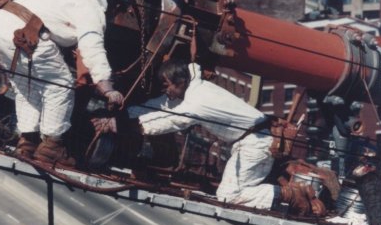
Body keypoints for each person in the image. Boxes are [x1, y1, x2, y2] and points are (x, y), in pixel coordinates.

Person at [122, 59, 325, 216]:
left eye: (167, 86)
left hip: (255, 145)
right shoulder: (194, 88)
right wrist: (129, 113)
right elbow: (165, 105)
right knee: (232, 192)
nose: (166, 91)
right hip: (252, 140)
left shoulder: (197, 103)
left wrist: (135, 127)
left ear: (181, 82)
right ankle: (292, 192)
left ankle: (291, 193)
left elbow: (174, 120)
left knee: (228, 197)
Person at [0, 0, 134, 167]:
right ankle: (52, 147)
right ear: (116, 4)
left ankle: (27, 141)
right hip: (24, 31)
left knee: (26, 86)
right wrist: (106, 85)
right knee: (60, 85)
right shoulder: (91, 8)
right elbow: (92, 46)